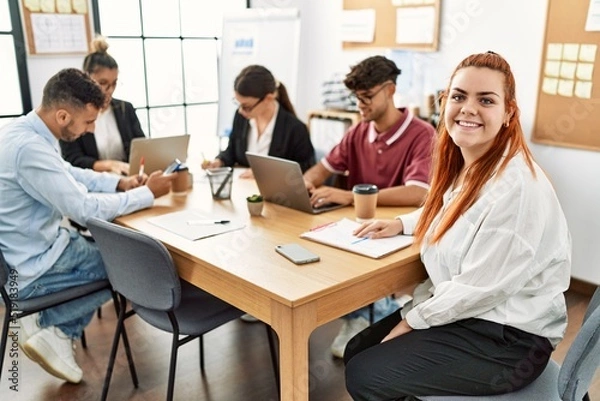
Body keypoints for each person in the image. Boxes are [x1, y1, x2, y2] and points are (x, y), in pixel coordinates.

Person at [343, 52, 571, 400]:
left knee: (365, 374)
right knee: (357, 349)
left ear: (509, 111)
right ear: (444, 101)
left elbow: (481, 288)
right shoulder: (475, 164)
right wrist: (401, 223)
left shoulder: (518, 188)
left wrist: (411, 321)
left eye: (486, 100)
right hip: (478, 316)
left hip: (509, 338)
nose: (468, 109)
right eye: (459, 96)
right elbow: (461, 211)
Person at [0, 68, 177, 384]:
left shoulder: (29, 131)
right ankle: (53, 325)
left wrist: (120, 183)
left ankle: (54, 329)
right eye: (89, 122)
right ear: (64, 115)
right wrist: (146, 194)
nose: (93, 130)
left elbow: (68, 173)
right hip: (36, 265)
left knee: (116, 256)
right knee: (130, 267)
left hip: (38, 246)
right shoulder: (30, 149)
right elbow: (84, 210)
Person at [302, 55, 436, 358]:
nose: (359, 105)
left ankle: (375, 310)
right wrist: (308, 183)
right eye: (356, 98)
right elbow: (320, 169)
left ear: (389, 90)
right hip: (360, 227)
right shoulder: (358, 132)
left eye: (366, 97)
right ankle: (369, 311)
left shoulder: (422, 134)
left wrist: (351, 196)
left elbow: (418, 193)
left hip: (397, 230)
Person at [202, 64, 315, 178]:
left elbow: (305, 168)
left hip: (274, 193)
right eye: (238, 104)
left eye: (246, 106)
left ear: (268, 98)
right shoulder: (242, 117)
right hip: (243, 188)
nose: (241, 111)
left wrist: (266, 173)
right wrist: (219, 161)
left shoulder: (295, 129)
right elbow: (232, 150)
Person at [60, 35, 145, 176]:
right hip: (92, 185)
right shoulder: (72, 114)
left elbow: (141, 147)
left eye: (114, 83)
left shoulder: (125, 109)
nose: (109, 90)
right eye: (103, 83)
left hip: (129, 180)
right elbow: (73, 159)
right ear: (86, 78)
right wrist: (110, 165)